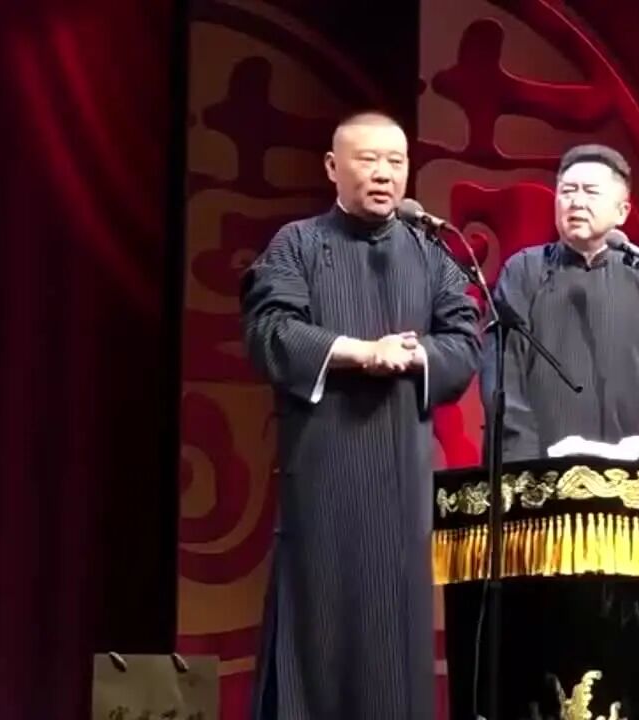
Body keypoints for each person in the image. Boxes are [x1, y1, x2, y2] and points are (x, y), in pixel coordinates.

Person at [239, 111, 481, 719]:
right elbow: (271, 331)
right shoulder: (297, 244)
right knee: (317, 634)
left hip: (402, 482)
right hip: (323, 476)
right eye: (367, 160)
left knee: (396, 642)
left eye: (395, 162)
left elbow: (465, 339)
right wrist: (359, 353)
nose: (383, 174)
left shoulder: (429, 251)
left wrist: (417, 355)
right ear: (332, 167)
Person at [481, 144, 639, 461]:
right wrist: (523, 465)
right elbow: (503, 379)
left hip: (627, 475)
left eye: (591, 192)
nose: (577, 202)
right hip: (537, 470)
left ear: (622, 212)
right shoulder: (524, 270)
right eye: (568, 191)